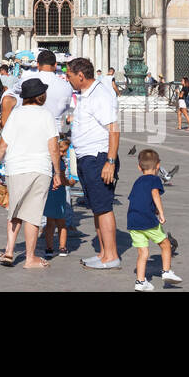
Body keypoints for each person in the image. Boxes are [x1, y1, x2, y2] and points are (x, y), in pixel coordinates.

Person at [0, 79, 62, 269]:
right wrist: (58, 172)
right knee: (32, 214)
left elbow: (3, 144)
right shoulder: (47, 115)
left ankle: (9, 251)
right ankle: (30, 258)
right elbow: (53, 147)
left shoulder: (16, 114)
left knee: (14, 210)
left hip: (16, 168)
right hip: (40, 169)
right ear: (41, 96)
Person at [66, 58, 122, 270]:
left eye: (69, 75)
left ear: (81, 75)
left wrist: (110, 161)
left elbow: (114, 129)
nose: (67, 79)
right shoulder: (86, 94)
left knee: (104, 207)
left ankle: (112, 255)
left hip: (99, 158)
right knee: (97, 208)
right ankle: (103, 252)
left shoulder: (100, 95)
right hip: (87, 157)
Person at [127, 149, 182, 291]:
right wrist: (161, 213)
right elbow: (155, 194)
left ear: (139, 167)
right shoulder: (155, 180)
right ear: (158, 166)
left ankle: (140, 282)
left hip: (133, 221)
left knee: (143, 253)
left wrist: (153, 209)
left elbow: (137, 200)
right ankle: (166, 271)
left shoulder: (137, 182)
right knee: (165, 244)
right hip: (148, 220)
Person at [42, 136, 74, 258]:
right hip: (59, 192)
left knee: (50, 223)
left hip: (49, 192)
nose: (64, 154)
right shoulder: (59, 162)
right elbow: (62, 179)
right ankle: (62, 247)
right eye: (62, 151)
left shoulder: (48, 160)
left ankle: (49, 247)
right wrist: (70, 183)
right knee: (61, 222)